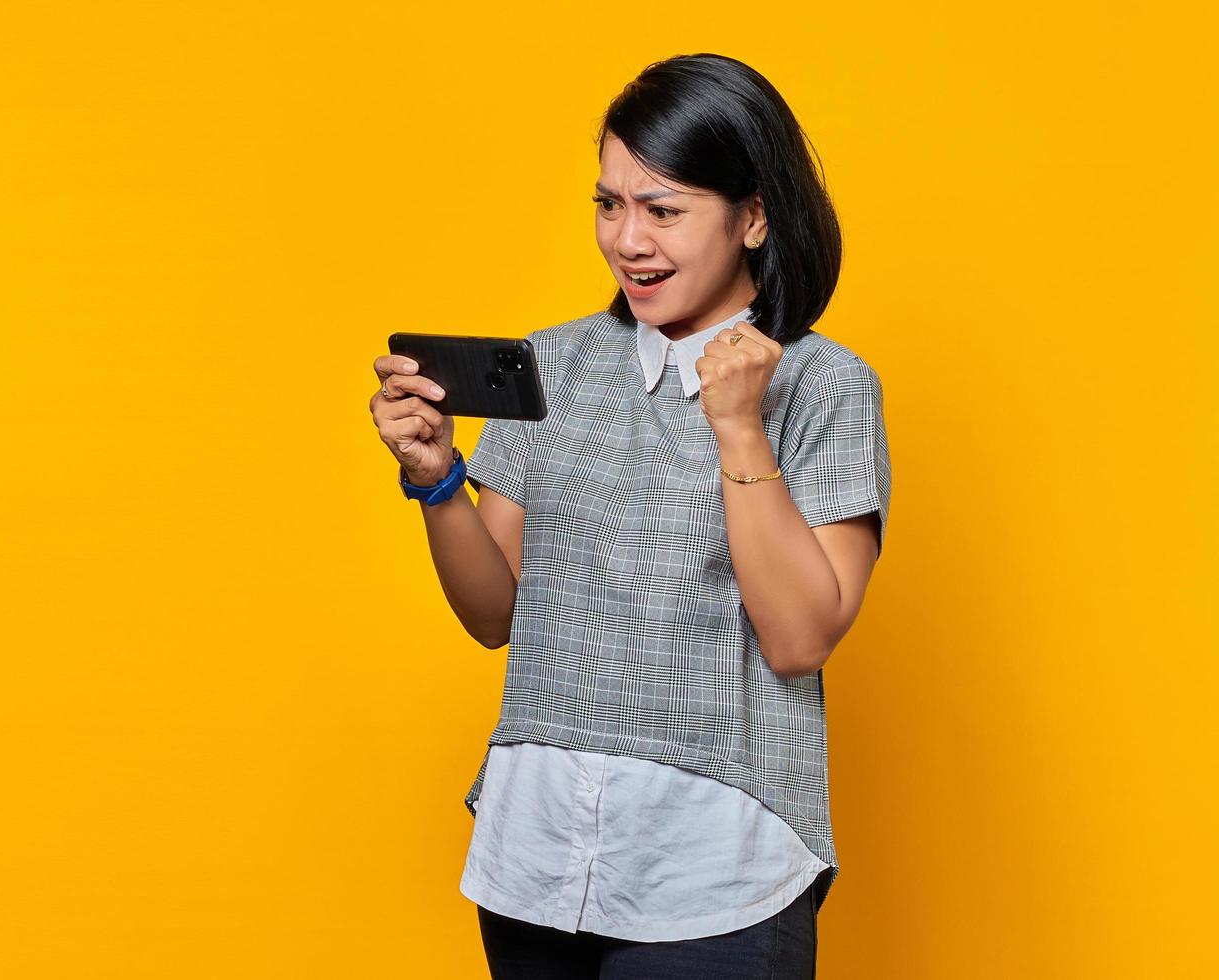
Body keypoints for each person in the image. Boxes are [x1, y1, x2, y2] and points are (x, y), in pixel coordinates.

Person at [370, 52, 891, 979]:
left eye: (664, 210)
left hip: (714, 869)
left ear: (755, 216)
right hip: (535, 856)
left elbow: (801, 637)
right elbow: (495, 612)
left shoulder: (825, 385)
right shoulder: (558, 364)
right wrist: (439, 481)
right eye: (609, 205)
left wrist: (738, 429)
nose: (629, 240)